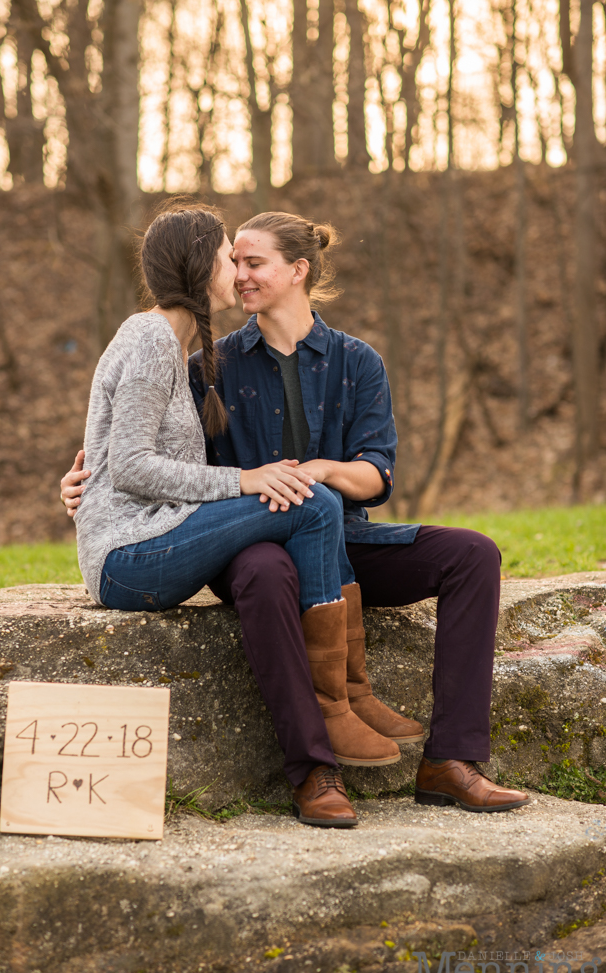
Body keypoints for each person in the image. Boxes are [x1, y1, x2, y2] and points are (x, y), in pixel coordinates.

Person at [64, 209, 529, 814]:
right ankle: (315, 768)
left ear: (297, 271)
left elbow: (376, 475)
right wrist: (87, 484)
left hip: (334, 537)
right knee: (268, 566)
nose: (240, 272)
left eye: (253, 262)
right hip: (250, 547)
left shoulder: (356, 361)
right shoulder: (207, 362)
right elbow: (151, 458)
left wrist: (320, 471)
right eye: (234, 260)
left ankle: (448, 760)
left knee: (473, 553)